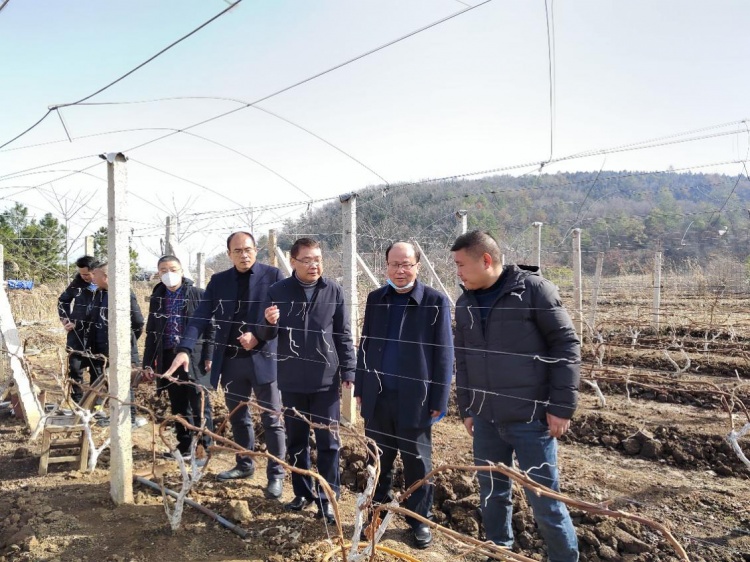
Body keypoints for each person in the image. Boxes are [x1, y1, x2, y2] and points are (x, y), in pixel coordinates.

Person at [451, 230, 580, 562]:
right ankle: (500, 551)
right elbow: (462, 360)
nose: (458, 272)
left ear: (486, 260)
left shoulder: (533, 291)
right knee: (492, 494)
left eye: (461, 264)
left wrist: (562, 406)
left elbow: (566, 346)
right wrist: (468, 407)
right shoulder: (465, 303)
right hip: (486, 419)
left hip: (530, 420)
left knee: (545, 499)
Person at [164, 231, 286, 499]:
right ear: (229, 254)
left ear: (256, 251)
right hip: (231, 361)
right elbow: (200, 317)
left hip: (263, 359)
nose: (244, 255)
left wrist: (258, 335)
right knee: (238, 416)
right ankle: (244, 464)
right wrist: (184, 349)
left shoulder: (273, 276)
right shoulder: (219, 281)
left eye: (248, 249)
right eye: (238, 251)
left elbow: (281, 317)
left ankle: (276, 474)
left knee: (272, 418)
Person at [354, 241, 454, 549]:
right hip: (378, 397)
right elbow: (366, 344)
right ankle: (376, 513)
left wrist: (439, 399)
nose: (400, 270)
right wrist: (361, 387)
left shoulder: (435, 301)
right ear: (386, 266)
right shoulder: (376, 299)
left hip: (416, 399)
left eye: (406, 264)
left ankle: (419, 520)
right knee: (377, 459)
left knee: (417, 463)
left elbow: (444, 354)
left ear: (417, 266)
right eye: (394, 264)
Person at [260, 238, 355, 524]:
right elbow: (265, 335)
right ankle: (302, 493)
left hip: (326, 380)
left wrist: (349, 371)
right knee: (297, 441)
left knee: (329, 442)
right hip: (291, 380)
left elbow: (343, 334)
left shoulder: (333, 290)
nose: (314, 265)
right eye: (307, 260)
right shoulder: (278, 291)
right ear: (293, 262)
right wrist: (268, 323)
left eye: (318, 259)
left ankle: (328, 498)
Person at [142, 255, 215, 460]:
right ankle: (184, 446)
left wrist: (209, 355)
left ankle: (204, 448)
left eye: (173, 269)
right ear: (158, 274)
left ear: (182, 271)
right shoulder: (157, 298)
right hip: (168, 357)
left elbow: (211, 328)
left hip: (195, 357)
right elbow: (152, 333)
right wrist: (148, 363)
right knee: (178, 405)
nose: (169, 274)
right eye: (163, 270)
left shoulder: (198, 294)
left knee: (200, 403)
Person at [84, 261, 147, 428]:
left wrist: (126, 340)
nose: (92, 278)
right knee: (101, 382)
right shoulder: (99, 293)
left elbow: (138, 322)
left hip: (120, 349)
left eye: (95, 275)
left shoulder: (124, 293)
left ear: (106, 276)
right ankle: (98, 412)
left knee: (124, 383)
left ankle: (129, 419)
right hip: (100, 349)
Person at [57, 255, 97, 404]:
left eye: (87, 274)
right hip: (76, 333)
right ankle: (77, 399)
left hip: (97, 333)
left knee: (96, 368)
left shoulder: (104, 286)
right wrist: (65, 318)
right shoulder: (77, 284)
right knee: (75, 366)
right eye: (81, 274)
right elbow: (63, 300)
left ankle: (94, 401)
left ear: (95, 271)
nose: (84, 277)